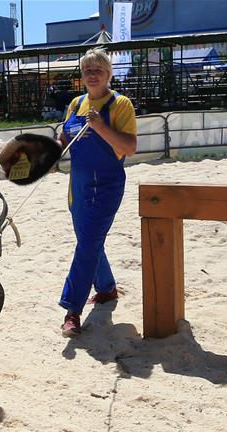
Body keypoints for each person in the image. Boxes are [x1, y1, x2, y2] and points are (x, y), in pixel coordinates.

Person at [58, 48, 137, 337]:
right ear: (82, 75)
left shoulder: (121, 104)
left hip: (106, 185)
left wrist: (101, 127)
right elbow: (64, 138)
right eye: (87, 70)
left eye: (98, 70)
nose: (92, 75)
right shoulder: (75, 103)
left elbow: (129, 147)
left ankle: (72, 310)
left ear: (108, 74)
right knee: (89, 241)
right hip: (77, 186)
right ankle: (106, 288)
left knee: (88, 244)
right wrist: (52, 151)